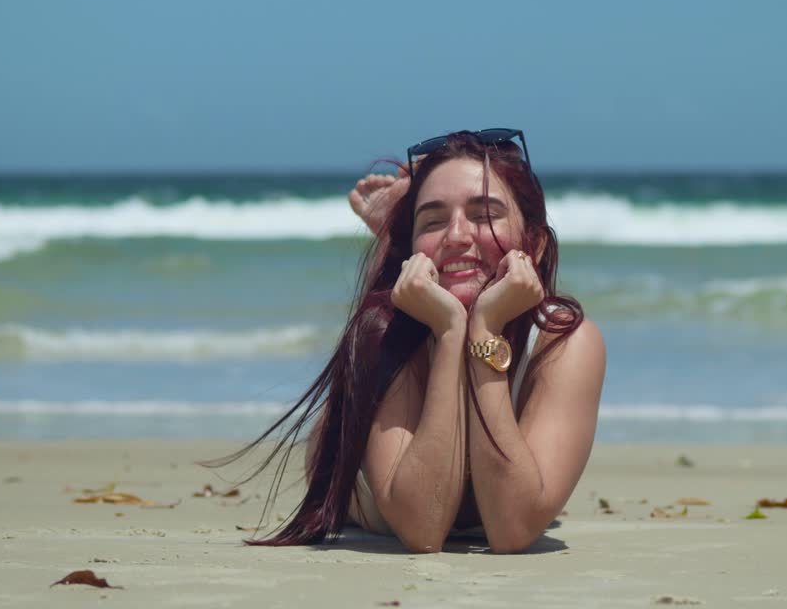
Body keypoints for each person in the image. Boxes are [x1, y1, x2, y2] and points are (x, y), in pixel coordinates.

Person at [211, 130, 605, 554]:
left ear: (536, 245)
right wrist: (450, 332)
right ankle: (394, 239)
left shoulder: (564, 343)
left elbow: (512, 529)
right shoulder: (386, 334)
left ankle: (397, 228)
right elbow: (423, 528)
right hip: (360, 467)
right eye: (433, 221)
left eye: (484, 214)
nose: (457, 235)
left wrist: (485, 332)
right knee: (379, 320)